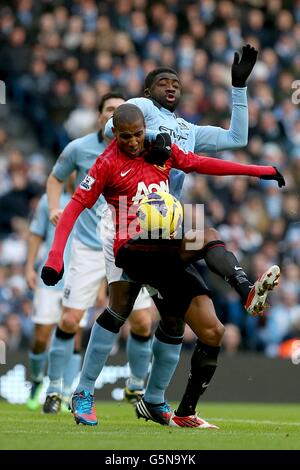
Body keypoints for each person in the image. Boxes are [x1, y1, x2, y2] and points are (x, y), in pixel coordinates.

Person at [41, 104, 283, 427]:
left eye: (137, 135)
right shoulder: (106, 163)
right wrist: (55, 257)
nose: (132, 142)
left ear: (144, 129)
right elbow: (72, 209)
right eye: (125, 137)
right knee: (122, 307)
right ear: (115, 133)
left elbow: (203, 163)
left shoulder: (160, 148)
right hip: (130, 247)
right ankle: (83, 392)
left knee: (205, 327)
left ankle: (168, 405)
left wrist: (261, 172)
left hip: (166, 246)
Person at [43, 92, 154, 413]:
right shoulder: (79, 149)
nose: (115, 115)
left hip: (126, 245)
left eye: (120, 111)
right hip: (88, 246)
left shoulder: (141, 149)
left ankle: (136, 385)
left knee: (143, 322)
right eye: (109, 111)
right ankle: (55, 389)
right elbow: (55, 179)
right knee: (70, 319)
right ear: (100, 116)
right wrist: (55, 207)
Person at [25, 181, 81, 411]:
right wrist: (29, 267)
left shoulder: (93, 199)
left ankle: (65, 394)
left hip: (78, 277)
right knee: (41, 337)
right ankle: (37, 380)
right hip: (49, 278)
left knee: (74, 333)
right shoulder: (50, 202)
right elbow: (36, 233)